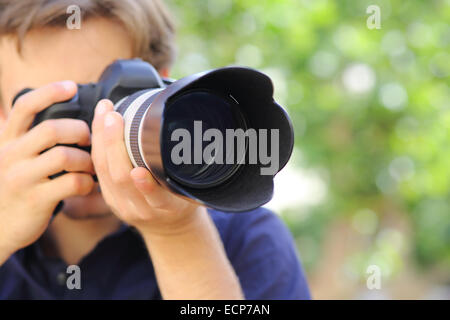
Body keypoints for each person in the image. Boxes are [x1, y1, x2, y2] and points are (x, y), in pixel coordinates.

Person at [0, 0, 310, 299]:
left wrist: (177, 233)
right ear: (3, 113)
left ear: (162, 88)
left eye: (112, 98)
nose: (93, 133)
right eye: (54, 109)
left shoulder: (247, 237)